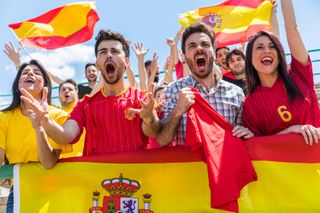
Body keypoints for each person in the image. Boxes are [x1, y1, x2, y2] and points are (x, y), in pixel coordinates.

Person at [20, 29, 159, 156]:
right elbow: (66, 136)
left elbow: (154, 132)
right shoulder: (85, 104)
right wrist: (46, 120)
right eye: (103, 52)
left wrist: (149, 119)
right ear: (98, 64)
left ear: (127, 62)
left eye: (115, 51)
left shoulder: (142, 99)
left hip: (135, 181)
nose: (109, 55)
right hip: (97, 182)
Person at [156, 22, 253, 146]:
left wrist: (247, 134)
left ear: (213, 50)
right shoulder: (172, 91)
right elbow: (162, 140)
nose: (199, 48)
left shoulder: (236, 93)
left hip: (226, 165)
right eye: (192, 46)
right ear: (184, 56)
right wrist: (177, 111)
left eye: (205, 44)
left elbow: (243, 140)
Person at [242, 0, 320, 145]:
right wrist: (291, 130)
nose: (267, 50)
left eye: (272, 46)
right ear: (250, 60)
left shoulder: (299, 76)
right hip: (286, 166)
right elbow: (259, 145)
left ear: (279, 55)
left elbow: (292, 28)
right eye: (259, 47)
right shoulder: (250, 104)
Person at [0, 60, 68, 212]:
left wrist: (39, 128)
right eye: (25, 73)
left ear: (46, 87)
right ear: (17, 85)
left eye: (36, 73)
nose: (30, 73)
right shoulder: (3, 117)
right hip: (19, 191)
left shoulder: (59, 116)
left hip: (55, 189)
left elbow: (49, 162)